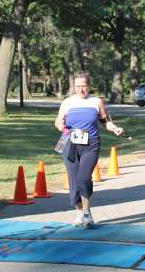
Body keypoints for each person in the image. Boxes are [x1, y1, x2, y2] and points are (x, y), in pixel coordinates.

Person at [55, 73, 124, 227]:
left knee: (83, 178)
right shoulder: (67, 103)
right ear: (74, 87)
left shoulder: (96, 102)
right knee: (74, 182)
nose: (81, 89)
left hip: (91, 145)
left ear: (89, 86)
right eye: (78, 86)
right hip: (70, 144)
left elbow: (105, 122)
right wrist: (64, 128)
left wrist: (116, 129)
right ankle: (79, 212)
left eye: (84, 86)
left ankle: (87, 212)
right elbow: (58, 122)